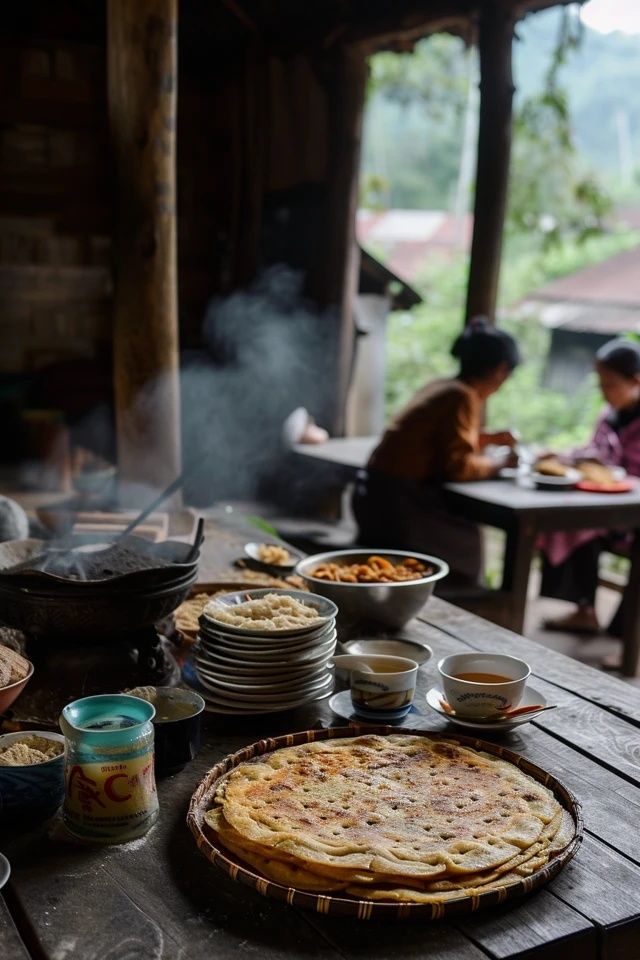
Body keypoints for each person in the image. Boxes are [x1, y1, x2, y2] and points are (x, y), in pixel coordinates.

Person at [351, 318, 521, 584]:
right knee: (468, 542)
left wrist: (488, 439)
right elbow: (457, 467)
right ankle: (455, 604)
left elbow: (442, 442)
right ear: (500, 369)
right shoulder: (461, 396)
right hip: (397, 503)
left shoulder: (442, 386)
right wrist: (500, 464)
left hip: (372, 494)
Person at [540, 338, 640, 636]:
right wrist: (566, 458)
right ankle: (585, 609)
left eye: (610, 385)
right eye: (600, 384)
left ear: (635, 381)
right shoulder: (608, 415)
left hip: (633, 514)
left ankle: (625, 636)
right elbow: (594, 452)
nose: (603, 392)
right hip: (610, 510)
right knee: (570, 524)